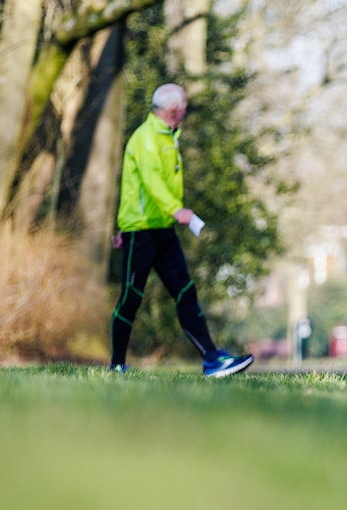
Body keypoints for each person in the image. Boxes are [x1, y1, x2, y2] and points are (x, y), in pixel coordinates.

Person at [109, 83, 254, 377]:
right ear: (174, 108)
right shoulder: (147, 138)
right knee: (131, 298)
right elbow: (150, 181)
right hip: (141, 231)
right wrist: (176, 209)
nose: (186, 109)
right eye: (184, 104)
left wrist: (172, 214)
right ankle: (116, 365)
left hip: (164, 230)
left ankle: (212, 360)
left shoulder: (168, 136)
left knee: (185, 291)